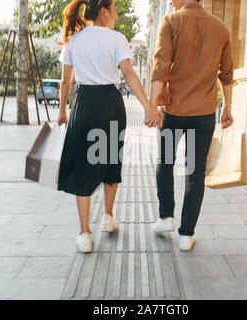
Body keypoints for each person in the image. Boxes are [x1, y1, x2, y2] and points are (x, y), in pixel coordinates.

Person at [56, 0, 163, 253]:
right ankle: (107, 215)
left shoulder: (73, 39)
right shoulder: (116, 38)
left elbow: (65, 80)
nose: (116, 13)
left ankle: (84, 234)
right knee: (111, 160)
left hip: (83, 104)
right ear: (104, 11)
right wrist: (148, 105)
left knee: (83, 163)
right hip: (110, 104)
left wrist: (62, 111)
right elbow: (128, 73)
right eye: (114, 8)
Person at [149, 0, 234, 251]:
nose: (171, 3)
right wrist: (227, 108)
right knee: (195, 172)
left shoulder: (170, 21)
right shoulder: (221, 28)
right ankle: (187, 235)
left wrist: (152, 106)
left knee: (164, 161)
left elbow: (160, 67)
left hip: (173, 110)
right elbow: (227, 74)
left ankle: (166, 217)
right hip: (205, 113)